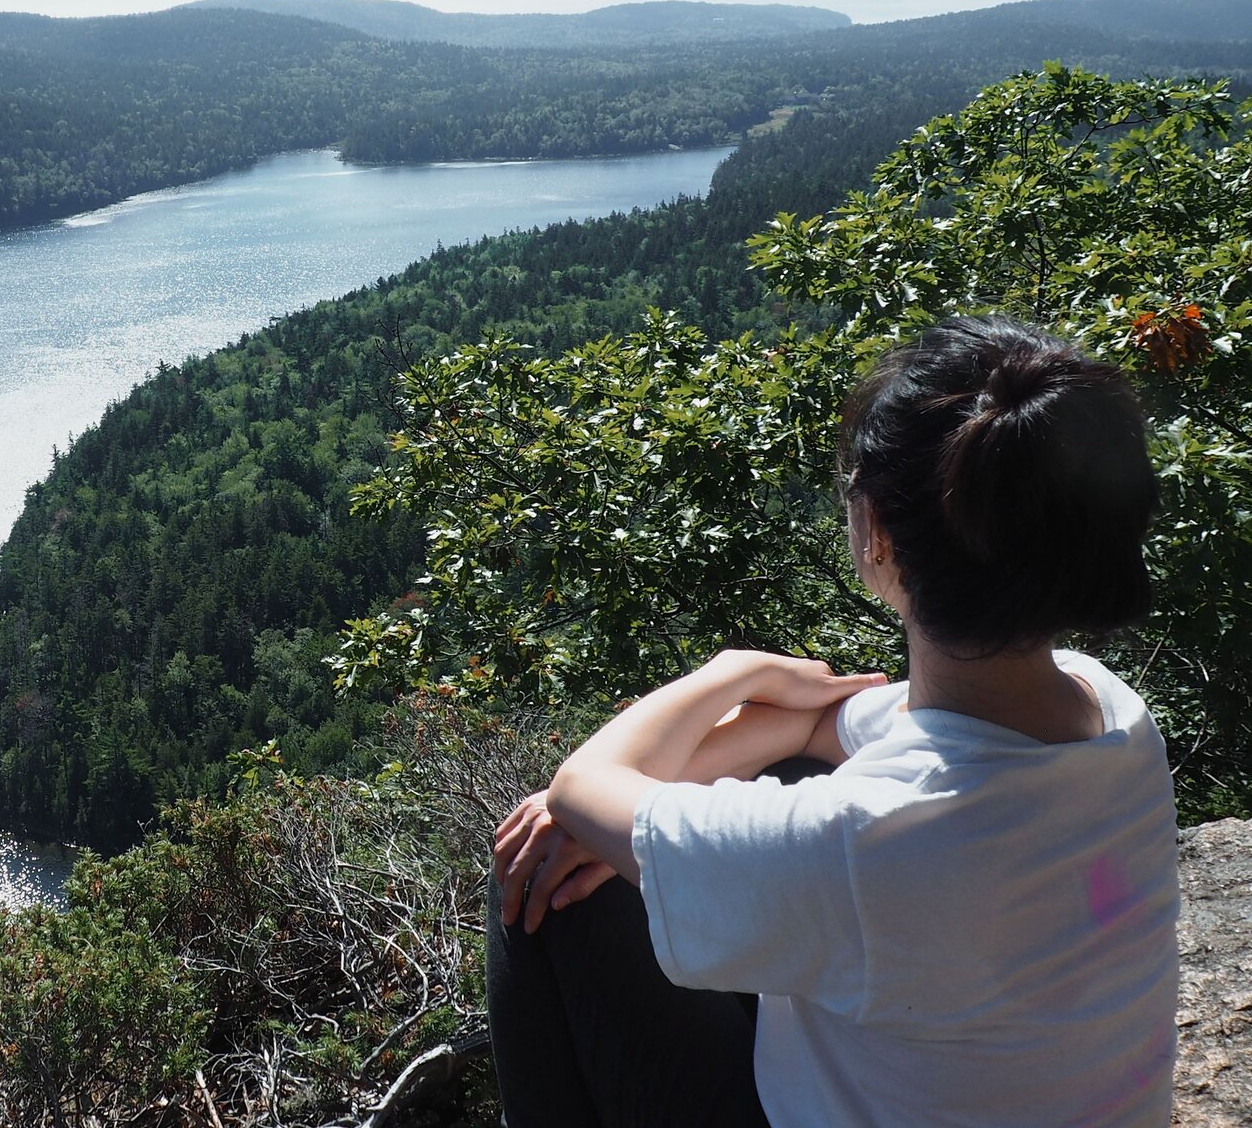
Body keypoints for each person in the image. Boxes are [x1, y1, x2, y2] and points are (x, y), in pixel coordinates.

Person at [484, 316, 1179, 1126]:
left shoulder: (861, 842)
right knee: (753, 785)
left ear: (877, 529)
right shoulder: (1112, 713)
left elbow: (581, 786)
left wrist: (732, 671)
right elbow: (817, 731)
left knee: (542, 878)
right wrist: (740, 749)